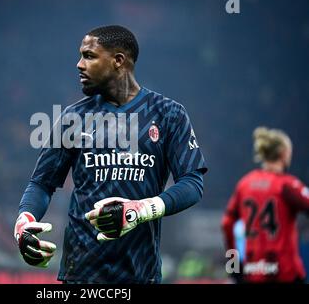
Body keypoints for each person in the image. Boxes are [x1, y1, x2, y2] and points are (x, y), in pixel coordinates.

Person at [14, 25, 208, 283]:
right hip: (81, 275)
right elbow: (41, 183)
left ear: (118, 61)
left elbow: (192, 183)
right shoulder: (74, 117)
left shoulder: (168, 114)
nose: (79, 65)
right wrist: (24, 222)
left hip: (141, 273)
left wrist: (140, 209)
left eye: (89, 56)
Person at [221, 127, 309, 283]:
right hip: (285, 272)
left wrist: (233, 267)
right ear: (284, 153)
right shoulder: (287, 185)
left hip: (253, 272)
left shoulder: (245, 184)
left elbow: (227, 224)